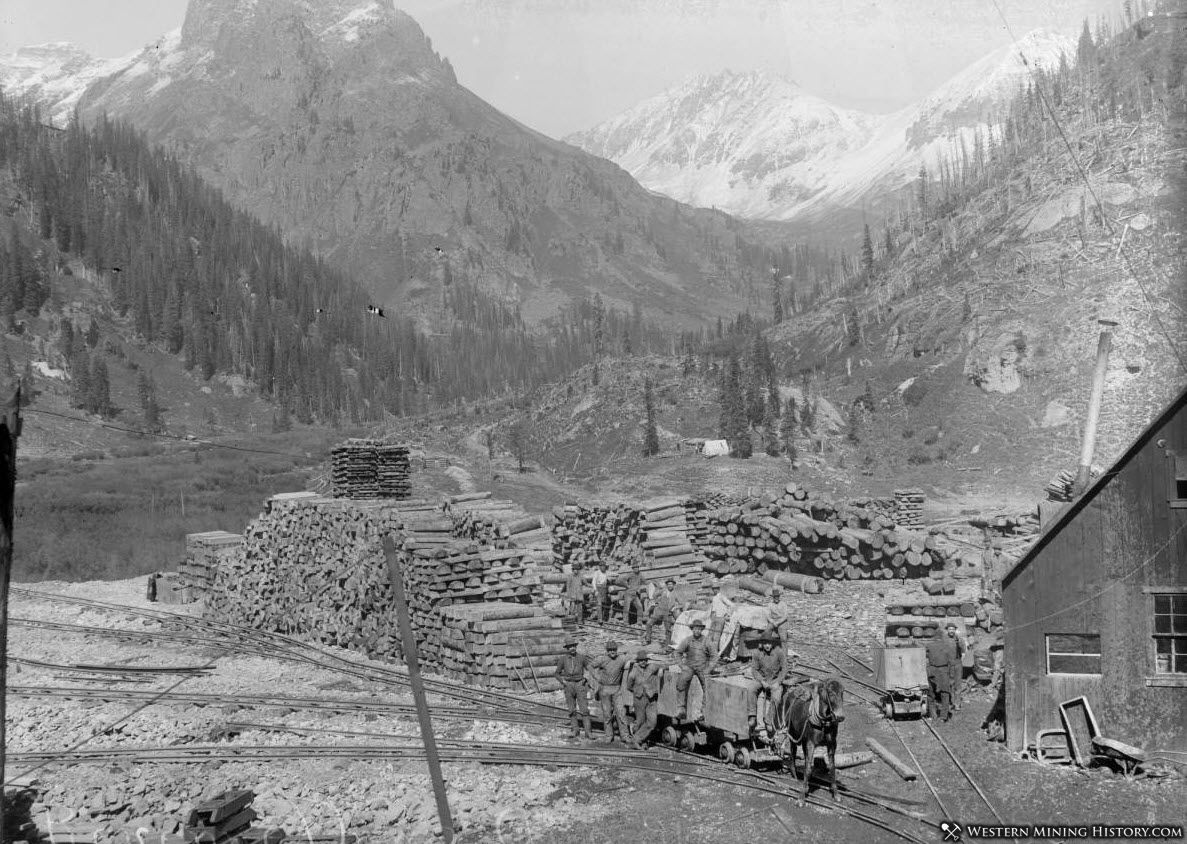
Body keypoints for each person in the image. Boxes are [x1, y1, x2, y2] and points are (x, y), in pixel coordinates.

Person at [675, 619, 718, 721]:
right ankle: (681, 708)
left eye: (699, 629)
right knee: (681, 682)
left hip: (702, 668)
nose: (697, 631)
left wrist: (709, 669)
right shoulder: (688, 640)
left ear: (701, 630)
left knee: (706, 687)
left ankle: (702, 712)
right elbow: (677, 653)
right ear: (692, 629)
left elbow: (715, 656)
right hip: (689, 667)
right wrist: (682, 665)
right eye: (695, 629)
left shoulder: (707, 641)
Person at [747, 631, 786, 735]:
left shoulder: (779, 652)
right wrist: (762, 681)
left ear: (772, 643)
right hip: (762, 679)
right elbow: (754, 670)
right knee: (751, 689)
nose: (767, 646)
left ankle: (768, 720)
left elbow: (784, 669)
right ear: (762, 644)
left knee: (777, 697)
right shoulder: (757, 653)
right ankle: (752, 715)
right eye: (765, 643)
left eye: (769, 643)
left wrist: (778, 682)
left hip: (774, 680)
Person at [590, 640, 629, 742]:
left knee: (621, 713)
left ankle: (624, 736)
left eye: (614, 650)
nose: (612, 652)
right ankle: (608, 736)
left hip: (617, 689)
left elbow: (632, 658)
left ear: (617, 650)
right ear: (607, 651)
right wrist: (597, 677)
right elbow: (590, 666)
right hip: (605, 689)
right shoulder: (602, 659)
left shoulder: (621, 659)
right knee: (607, 714)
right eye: (610, 650)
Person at [623, 649, 661, 748]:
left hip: (651, 699)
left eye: (644, 660)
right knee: (640, 721)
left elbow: (664, 665)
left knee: (652, 722)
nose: (643, 662)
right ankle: (642, 741)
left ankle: (635, 739)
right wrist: (638, 691)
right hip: (639, 699)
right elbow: (629, 686)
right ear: (637, 661)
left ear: (647, 660)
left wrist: (661, 670)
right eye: (640, 660)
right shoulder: (633, 672)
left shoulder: (652, 667)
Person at [556, 638, 593, 739]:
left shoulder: (581, 658)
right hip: (569, 685)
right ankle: (575, 730)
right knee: (571, 710)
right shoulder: (562, 659)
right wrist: (563, 682)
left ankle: (588, 732)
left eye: (573, 646)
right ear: (567, 648)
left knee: (584, 709)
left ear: (576, 647)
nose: (572, 648)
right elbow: (556, 673)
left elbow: (589, 668)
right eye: (569, 647)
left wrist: (586, 677)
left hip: (580, 685)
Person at [926, 623, 960, 722]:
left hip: (931, 671)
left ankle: (933, 715)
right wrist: (951, 676)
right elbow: (951, 662)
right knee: (945, 694)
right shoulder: (947, 646)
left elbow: (926, 656)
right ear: (942, 636)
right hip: (943, 671)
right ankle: (943, 717)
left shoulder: (929, 645)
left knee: (930, 694)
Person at [643, 579, 679, 647]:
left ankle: (667, 645)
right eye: (668, 584)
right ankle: (648, 640)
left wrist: (675, 607)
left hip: (668, 613)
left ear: (674, 585)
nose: (670, 586)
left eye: (671, 584)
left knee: (668, 629)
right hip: (659, 611)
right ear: (667, 585)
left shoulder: (676, 594)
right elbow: (654, 595)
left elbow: (681, 604)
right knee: (649, 623)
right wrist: (657, 602)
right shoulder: (663, 591)